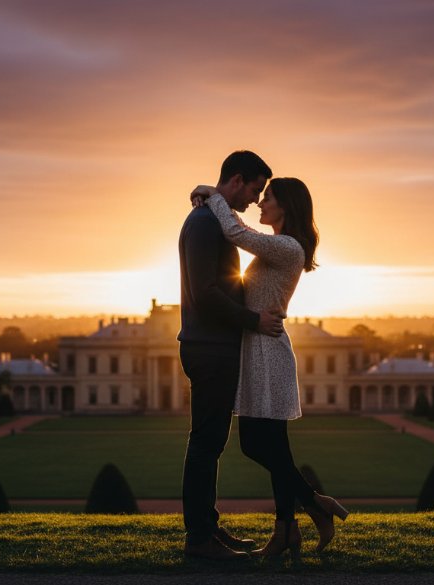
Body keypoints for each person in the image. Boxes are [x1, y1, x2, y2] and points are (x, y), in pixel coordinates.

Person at [190, 176, 349, 560]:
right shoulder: (279, 246)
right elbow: (241, 230)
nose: (260, 203)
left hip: (268, 351)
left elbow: (234, 231)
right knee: (272, 446)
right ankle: (287, 528)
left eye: (268, 197)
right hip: (257, 347)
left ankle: (312, 504)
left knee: (256, 444)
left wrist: (213, 195)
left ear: (285, 207)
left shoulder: (288, 247)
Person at [178, 150, 285, 560]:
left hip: (210, 346)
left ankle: (208, 530)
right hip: (210, 349)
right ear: (238, 179)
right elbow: (206, 294)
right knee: (206, 444)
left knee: (210, 442)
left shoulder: (209, 218)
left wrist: (209, 192)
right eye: (255, 189)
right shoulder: (205, 223)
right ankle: (200, 540)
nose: (255, 199)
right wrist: (252, 320)